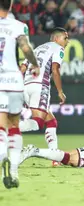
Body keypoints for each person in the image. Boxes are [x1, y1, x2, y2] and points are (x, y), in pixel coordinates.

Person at [0, 0, 40, 189]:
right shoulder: (18, 26)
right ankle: (14, 171)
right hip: (14, 80)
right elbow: (25, 49)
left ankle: (1, 156)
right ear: (11, 5)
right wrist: (35, 64)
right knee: (14, 125)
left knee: (1, 126)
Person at [19, 27, 69, 167]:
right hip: (40, 86)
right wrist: (60, 91)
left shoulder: (37, 49)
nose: (67, 41)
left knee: (51, 121)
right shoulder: (58, 48)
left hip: (26, 86)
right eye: (65, 38)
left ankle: (54, 157)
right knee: (38, 123)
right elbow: (55, 69)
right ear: (56, 39)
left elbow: (22, 68)